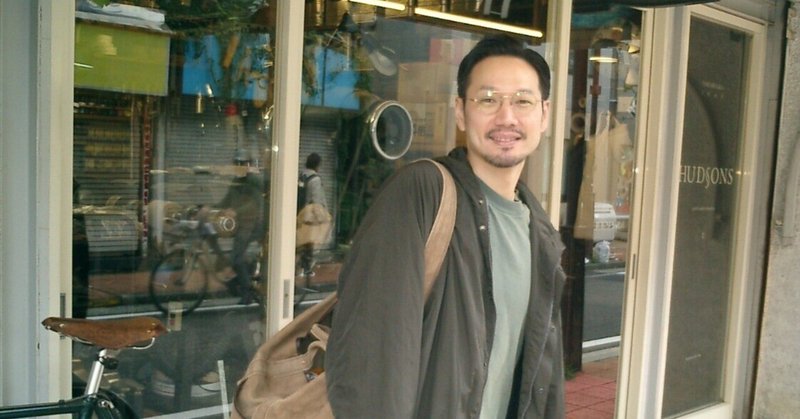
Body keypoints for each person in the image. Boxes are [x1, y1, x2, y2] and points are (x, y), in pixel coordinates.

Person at [325, 34, 567, 418]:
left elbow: (542, 375)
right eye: (488, 100)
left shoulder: (539, 231)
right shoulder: (422, 194)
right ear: (460, 112)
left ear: (545, 114)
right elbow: (371, 357)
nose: (506, 117)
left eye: (522, 101)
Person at [217, 150, 266, 305]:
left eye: (242, 163)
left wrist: (235, 211)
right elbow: (226, 200)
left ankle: (247, 291)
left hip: (253, 224)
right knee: (234, 257)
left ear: (248, 164)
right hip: (240, 224)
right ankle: (238, 281)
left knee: (237, 258)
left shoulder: (253, 181)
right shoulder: (236, 181)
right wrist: (210, 208)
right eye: (237, 163)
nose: (239, 166)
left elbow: (254, 204)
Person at [296, 152, 329, 277]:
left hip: (299, 213)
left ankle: (299, 266)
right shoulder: (315, 179)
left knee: (301, 241)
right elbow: (317, 200)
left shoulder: (301, 175)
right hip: (310, 216)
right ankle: (306, 268)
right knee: (311, 241)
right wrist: (322, 217)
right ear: (317, 164)